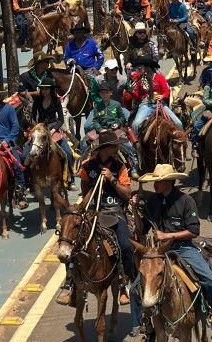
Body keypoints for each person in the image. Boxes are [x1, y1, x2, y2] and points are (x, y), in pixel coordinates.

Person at [141, 164, 212, 317]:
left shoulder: (186, 201)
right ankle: (140, 324)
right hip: (158, 252)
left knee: (209, 280)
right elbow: (143, 229)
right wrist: (135, 209)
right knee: (135, 288)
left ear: (169, 182)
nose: (155, 184)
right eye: (155, 181)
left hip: (183, 248)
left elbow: (193, 231)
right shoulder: (152, 201)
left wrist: (167, 236)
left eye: (158, 181)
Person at [72, 131, 136, 306]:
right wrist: (83, 208)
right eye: (114, 146)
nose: (117, 149)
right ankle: (70, 285)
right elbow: (85, 191)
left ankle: (124, 283)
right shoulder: (87, 166)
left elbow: (127, 194)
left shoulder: (120, 166)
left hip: (114, 212)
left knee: (125, 245)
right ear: (104, 148)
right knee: (70, 241)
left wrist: (112, 179)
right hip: (94, 212)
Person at [22, 83, 75, 179]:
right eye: (42, 89)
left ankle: (71, 177)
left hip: (53, 128)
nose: (44, 91)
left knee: (68, 153)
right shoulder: (37, 101)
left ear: (51, 90)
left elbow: (61, 119)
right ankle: (27, 180)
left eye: (46, 89)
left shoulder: (56, 101)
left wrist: (52, 131)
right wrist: (38, 127)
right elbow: (32, 118)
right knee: (25, 155)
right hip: (40, 128)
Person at [129, 59, 183, 134]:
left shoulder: (159, 77)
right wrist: (132, 91)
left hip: (160, 104)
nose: (138, 70)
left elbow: (166, 91)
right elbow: (137, 97)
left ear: (146, 68)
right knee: (136, 124)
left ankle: (181, 138)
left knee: (178, 123)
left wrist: (162, 96)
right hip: (145, 105)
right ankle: (137, 140)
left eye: (140, 67)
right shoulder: (140, 80)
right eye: (138, 68)